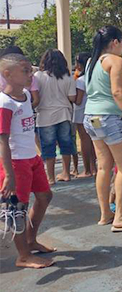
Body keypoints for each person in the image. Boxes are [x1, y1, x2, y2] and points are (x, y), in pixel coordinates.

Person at [83, 25, 122, 232]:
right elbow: (118, 93)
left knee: (103, 166)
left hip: (91, 117)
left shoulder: (92, 61)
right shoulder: (115, 61)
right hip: (110, 117)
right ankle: (120, 216)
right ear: (115, 42)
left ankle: (105, 214)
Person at [0, 53, 55, 269]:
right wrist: (9, 174)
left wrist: (37, 152)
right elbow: (2, 139)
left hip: (31, 158)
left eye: (30, 69)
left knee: (45, 196)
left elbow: (28, 127)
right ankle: (23, 255)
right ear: (7, 74)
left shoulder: (24, 95)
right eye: (25, 71)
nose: (30, 74)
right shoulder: (4, 103)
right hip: (15, 163)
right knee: (16, 208)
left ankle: (30, 241)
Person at [34, 49, 77, 184]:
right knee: (66, 145)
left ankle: (51, 177)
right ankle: (66, 173)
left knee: (48, 148)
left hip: (45, 115)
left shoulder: (38, 76)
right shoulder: (68, 77)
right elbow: (72, 97)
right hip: (64, 114)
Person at [73, 52, 96, 178]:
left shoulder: (81, 80)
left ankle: (87, 169)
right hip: (94, 112)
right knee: (94, 139)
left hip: (82, 113)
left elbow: (78, 100)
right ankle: (94, 167)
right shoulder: (94, 77)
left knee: (84, 140)